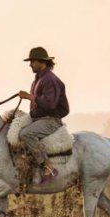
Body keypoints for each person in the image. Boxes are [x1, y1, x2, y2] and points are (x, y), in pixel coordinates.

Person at [15, 46, 69, 184]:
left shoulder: (50, 79)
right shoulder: (38, 79)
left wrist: (29, 97)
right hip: (38, 119)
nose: (30, 64)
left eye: (32, 61)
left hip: (50, 120)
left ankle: (48, 166)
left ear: (41, 62)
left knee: (25, 134)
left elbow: (50, 104)